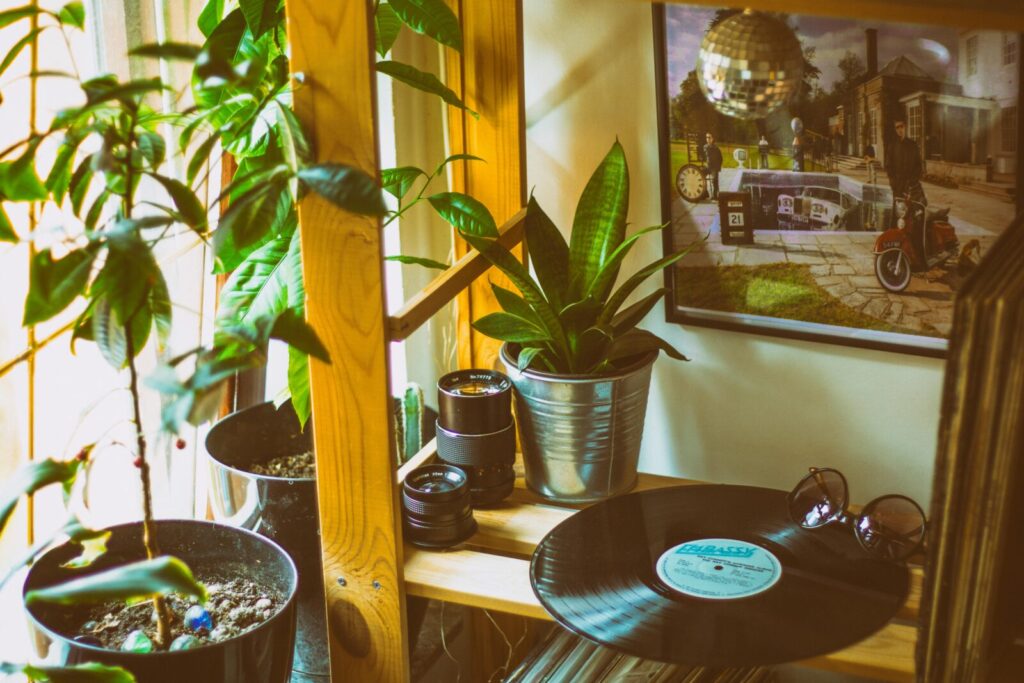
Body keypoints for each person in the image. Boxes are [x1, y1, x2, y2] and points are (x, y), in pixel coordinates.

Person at [885, 117, 928, 262]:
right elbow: (888, 166)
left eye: (901, 126)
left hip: (912, 187)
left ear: (906, 127)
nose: (899, 129)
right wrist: (893, 183)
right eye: (897, 127)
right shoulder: (892, 146)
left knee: (915, 218)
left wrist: (913, 182)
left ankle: (917, 253)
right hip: (898, 188)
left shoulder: (912, 145)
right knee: (897, 218)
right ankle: (895, 251)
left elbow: (918, 166)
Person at [703, 132, 723, 201]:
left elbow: (720, 159)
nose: (707, 139)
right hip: (707, 167)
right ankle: (704, 193)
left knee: (714, 179)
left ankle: (715, 195)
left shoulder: (716, 148)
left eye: (709, 137)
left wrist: (717, 168)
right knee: (700, 175)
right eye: (706, 137)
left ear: (712, 139)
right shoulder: (705, 147)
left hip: (714, 167)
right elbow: (703, 157)